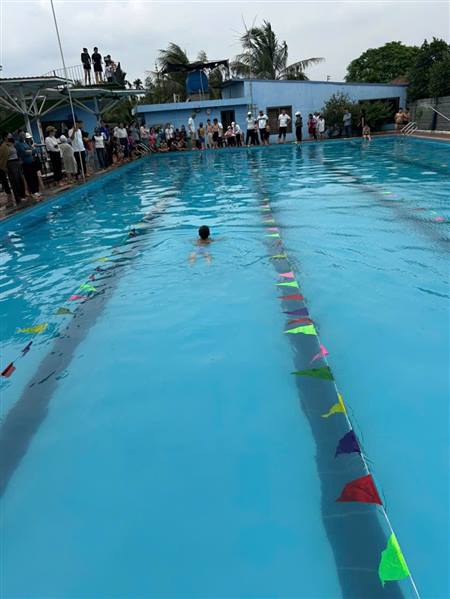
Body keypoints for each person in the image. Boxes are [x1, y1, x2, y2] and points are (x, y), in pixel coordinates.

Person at [16, 131, 41, 198]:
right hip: (26, 164)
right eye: (21, 135)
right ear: (18, 136)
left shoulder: (25, 143)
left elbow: (33, 151)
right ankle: (33, 192)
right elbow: (24, 152)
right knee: (29, 178)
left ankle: (36, 190)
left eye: (24, 134)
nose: (23, 136)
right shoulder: (18, 144)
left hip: (32, 162)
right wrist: (30, 151)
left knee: (34, 177)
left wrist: (30, 151)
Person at [5, 134, 25, 203]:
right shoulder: (4, 146)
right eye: (9, 135)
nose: (11, 136)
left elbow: (17, 153)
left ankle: (22, 195)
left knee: (20, 179)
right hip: (10, 163)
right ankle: (18, 198)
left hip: (16, 162)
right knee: (15, 180)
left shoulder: (13, 144)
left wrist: (19, 160)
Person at [0, 136, 12, 202]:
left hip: (2, 165)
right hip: (2, 165)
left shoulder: (3, 146)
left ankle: (9, 195)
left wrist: (3, 166)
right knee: (4, 180)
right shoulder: (3, 146)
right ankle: (9, 194)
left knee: (4, 180)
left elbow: (4, 156)